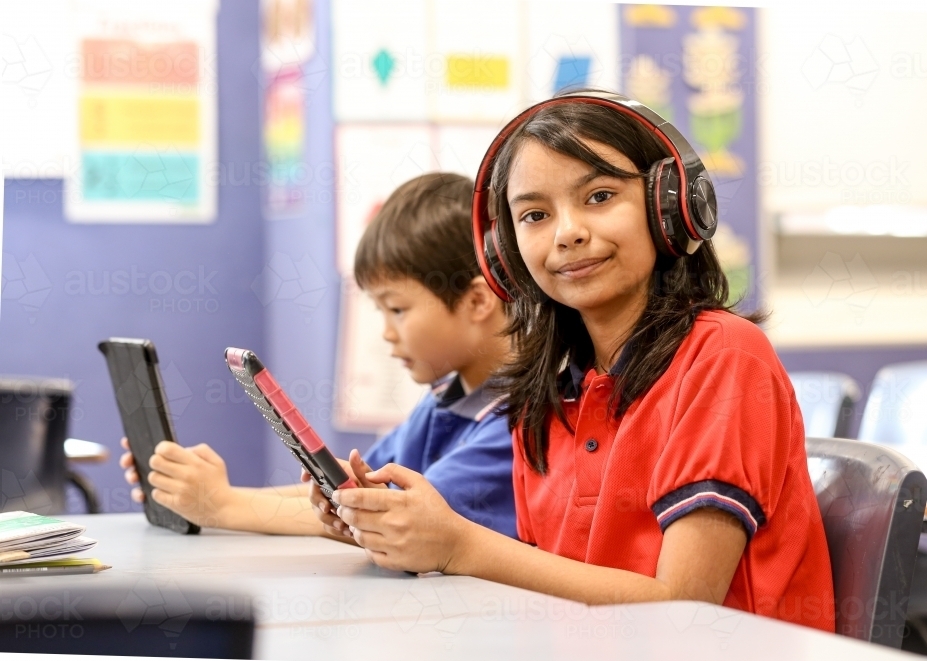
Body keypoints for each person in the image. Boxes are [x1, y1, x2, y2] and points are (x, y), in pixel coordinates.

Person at [314, 92, 836, 632]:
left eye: (599, 196)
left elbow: (684, 603)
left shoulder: (724, 357)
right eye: (535, 214)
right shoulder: (548, 389)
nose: (567, 232)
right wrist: (376, 524)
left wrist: (459, 546)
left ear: (671, 205)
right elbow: (542, 578)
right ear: (504, 252)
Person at [121, 173, 516, 541]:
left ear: (477, 300)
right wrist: (203, 493)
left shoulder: (516, 425)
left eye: (397, 309)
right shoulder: (444, 399)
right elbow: (352, 496)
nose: (386, 333)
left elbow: (390, 519)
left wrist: (221, 504)